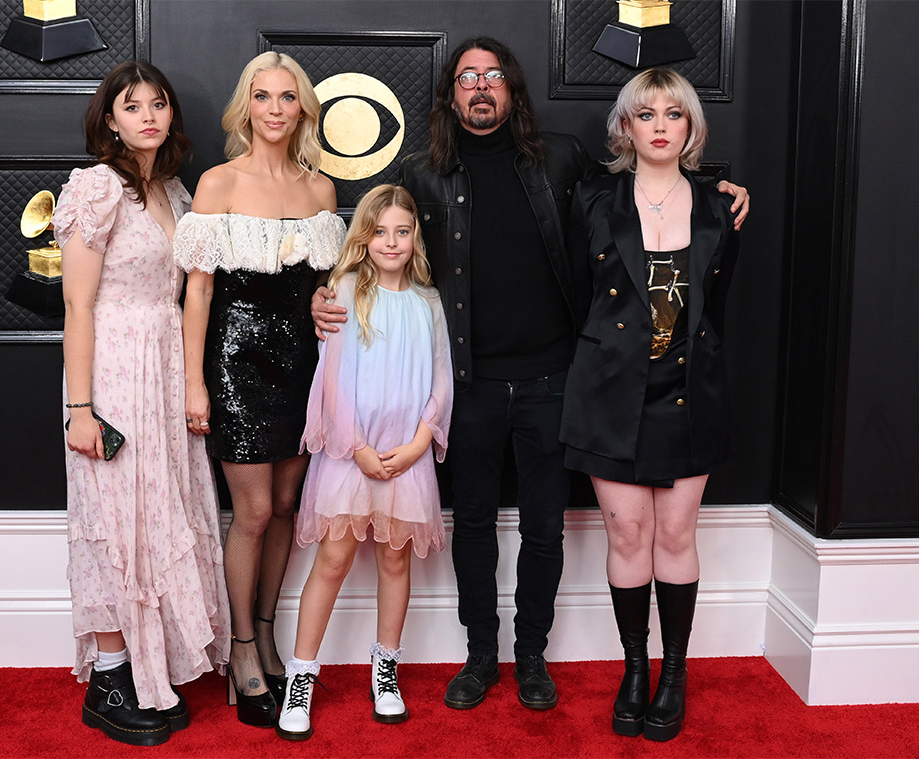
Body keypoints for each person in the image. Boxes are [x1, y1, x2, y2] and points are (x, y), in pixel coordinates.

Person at [313, 37, 750, 712]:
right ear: (451, 93)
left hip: (556, 376)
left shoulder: (562, 160)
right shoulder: (422, 173)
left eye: (492, 75)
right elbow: (375, 239)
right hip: (469, 381)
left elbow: (645, 200)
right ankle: (480, 655)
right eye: (467, 78)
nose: (480, 87)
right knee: (476, 524)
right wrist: (326, 292)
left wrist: (717, 189)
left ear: (512, 88)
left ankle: (531, 655)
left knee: (546, 525)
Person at [560, 68, 741, 742]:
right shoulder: (591, 200)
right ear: (624, 126)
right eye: (646, 113)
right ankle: (634, 668)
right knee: (628, 534)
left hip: (690, 392)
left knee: (675, 535)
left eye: (674, 113)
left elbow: (715, 310)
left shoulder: (722, 206)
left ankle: (674, 673)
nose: (660, 124)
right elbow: (579, 293)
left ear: (691, 128)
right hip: (608, 389)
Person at [57, 61, 229, 747]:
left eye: (158, 104)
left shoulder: (177, 193)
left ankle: (144, 667)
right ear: (110, 120)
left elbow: (193, 293)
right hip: (112, 368)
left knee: (159, 510)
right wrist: (80, 407)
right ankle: (108, 675)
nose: (148, 116)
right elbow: (76, 303)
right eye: (133, 106)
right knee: (112, 515)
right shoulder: (96, 188)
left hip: (163, 365)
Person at [172, 52, 345, 728]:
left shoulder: (321, 189)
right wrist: (196, 385)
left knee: (283, 505)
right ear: (247, 107)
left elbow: (322, 287)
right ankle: (241, 647)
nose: (275, 108)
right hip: (235, 362)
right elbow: (198, 295)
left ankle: (269, 631)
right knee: (249, 513)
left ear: (303, 107)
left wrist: (328, 299)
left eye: (287, 97)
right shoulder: (216, 183)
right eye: (263, 96)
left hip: (304, 365)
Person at [276, 184, 453, 741]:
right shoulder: (346, 292)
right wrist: (356, 448)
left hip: (406, 458)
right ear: (365, 237)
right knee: (332, 561)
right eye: (380, 232)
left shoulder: (429, 302)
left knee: (395, 564)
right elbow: (333, 382)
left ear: (415, 236)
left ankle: (386, 670)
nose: (392, 242)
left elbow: (441, 381)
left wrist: (422, 441)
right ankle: (301, 677)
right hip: (352, 458)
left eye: (403, 232)